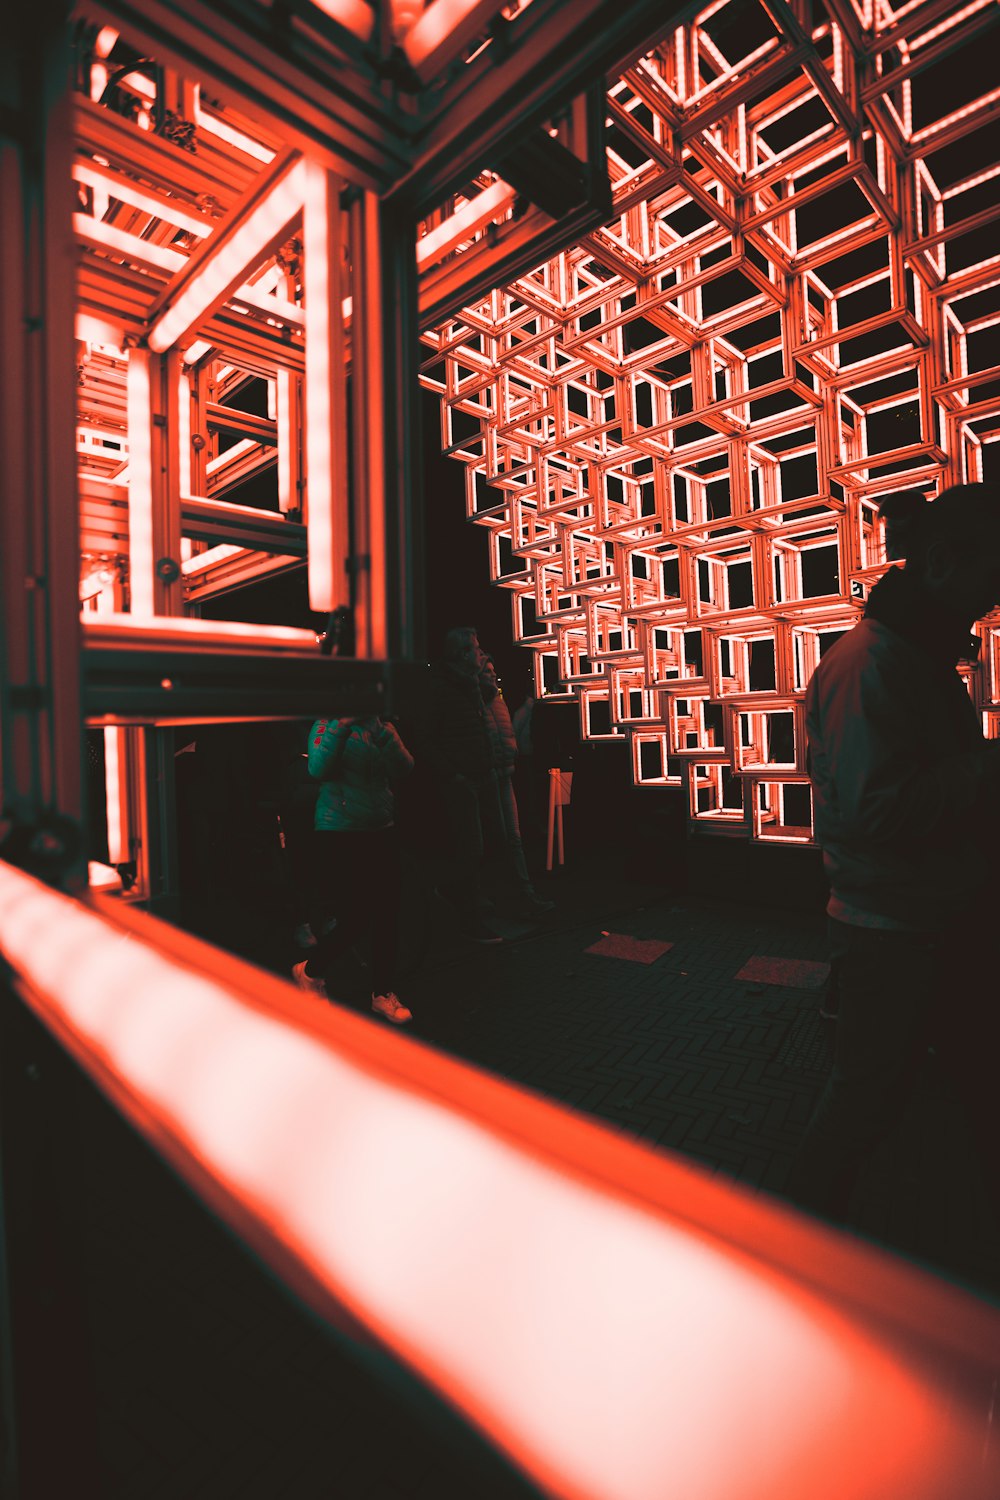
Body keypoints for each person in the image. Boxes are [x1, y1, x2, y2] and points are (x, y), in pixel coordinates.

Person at [787, 482, 1000, 1222]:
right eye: (990, 575)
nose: (993, 598)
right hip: (894, 930)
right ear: (943, 561)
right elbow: (877, 810)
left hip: (920, 921)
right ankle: (797, 1240)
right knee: (863, 1101)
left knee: (905, 1090)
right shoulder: (875, 665)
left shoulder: (905, 656)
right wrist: (981, 770)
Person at [292, 712, 414, 1025]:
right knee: (358, 915)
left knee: (388, 912)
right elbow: (317, 768)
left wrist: (385, 735)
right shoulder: (326, 724)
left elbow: (404, 769)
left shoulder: (381, 727)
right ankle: (311, 970)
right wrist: (342, 727)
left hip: (381, 826)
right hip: (340, 830)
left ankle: (382, 993)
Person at [414, 626, 505, 943]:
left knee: (484, 844)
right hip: (463, 781)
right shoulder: (442, 689)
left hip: (479, 775)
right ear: (462, 654)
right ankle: (469, 917)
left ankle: (472, 907)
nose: (481, 653)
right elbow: (424, 738)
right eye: (476, 649)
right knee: (469, 850)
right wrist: (454, 775)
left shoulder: (468, 687)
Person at [479, 655, 554, 919]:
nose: (491, 675)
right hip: (489, 775)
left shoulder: (497, 703)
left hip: (506, 771)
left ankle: (523, 891)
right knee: (500, 835)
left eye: (492, 670)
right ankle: (507, 894)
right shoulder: (479, 703)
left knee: (513, 834)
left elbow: (507, 732)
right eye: (486, 671)